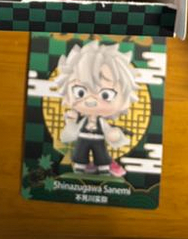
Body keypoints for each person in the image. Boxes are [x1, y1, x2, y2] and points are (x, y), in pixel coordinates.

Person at [55, 40, 138, 176]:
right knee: (80, 153)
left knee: (101, 154)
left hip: (99, 140)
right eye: (80, 92)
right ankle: (80, 167)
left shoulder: (102, 123)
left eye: (105, 95)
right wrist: (71, 122)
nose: (91, 101)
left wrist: (114, 135)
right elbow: (70, 133)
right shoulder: (80, 118)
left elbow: (110, 132)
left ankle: (103, 168)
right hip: (82, 139)